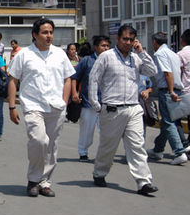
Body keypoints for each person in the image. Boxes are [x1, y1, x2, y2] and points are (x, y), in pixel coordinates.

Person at [88, 24, 159, 196]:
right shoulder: (106, 57)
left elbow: (152, 71)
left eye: (131, 39)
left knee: (137, 146)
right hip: (112, 109)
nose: (128, 42)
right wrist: (95, 104)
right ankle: (100, 173)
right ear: (118, 39)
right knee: (108, 146)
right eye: (125, 39)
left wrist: (142, 52)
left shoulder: (136, 58)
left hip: (133, 108)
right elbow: (94, 79)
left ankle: (144, 182)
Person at [8, 18, 75, 197]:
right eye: (45, 32)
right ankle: (33, 179)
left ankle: (44, 182)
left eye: (51, 32)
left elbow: (68, 78)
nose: (49, 36)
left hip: (56, 107)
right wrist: (12, 107)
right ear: (35, 35)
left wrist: (64, 101)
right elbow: (13, 80)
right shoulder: (24, 55)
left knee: (51, 146)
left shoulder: (60, 54)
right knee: (39, 141)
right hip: (32, 105)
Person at [146, 32, 189, 165]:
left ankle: (179, 151)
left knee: (168, 122)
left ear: (154, 42)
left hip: (167, 90)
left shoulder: (160, 54)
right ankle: (158, 149)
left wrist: (170, 91)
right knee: (167, 121)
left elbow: (167, 73)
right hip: (176, 89)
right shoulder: (172, 53)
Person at [71, 35, 110, 161]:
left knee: (105, 132)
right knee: (86, 130)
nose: (106, 48)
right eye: (103, 46)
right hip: (88, 102)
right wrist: (74, 94)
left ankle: (102, 155)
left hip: (106, 102)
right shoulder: (87, 61)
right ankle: (83, 151)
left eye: (107, 46)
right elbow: (74, 77)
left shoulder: (111, 60)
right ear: (96, 47)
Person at [177, 29, 190, 145]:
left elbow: (178, 72)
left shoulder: (181, 54)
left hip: (185, 91)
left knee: (175, 119)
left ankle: (185, 144)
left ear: (182, 41)